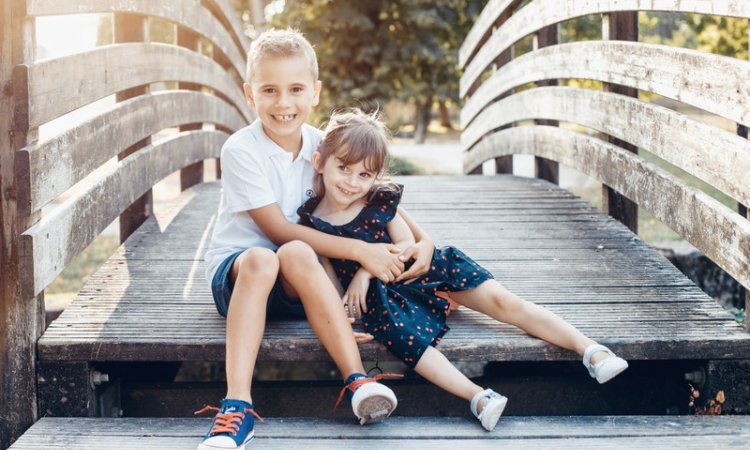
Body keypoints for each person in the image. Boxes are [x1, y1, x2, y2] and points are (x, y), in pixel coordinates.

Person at [297, 109, 630, 433]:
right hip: (385, 301)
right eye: (344, 168)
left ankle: (589, 349)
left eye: (364, 174)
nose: (353, 182)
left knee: (503, 302)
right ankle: (478, 398)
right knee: (413, 348)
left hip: (416, 271)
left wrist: (364, 271)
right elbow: (326, 277)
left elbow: (406, 246)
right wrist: (341, 314)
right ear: (319, 162)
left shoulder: (377, 201)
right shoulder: (313, 223)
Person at [197, 30, 436, 450]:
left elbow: (369, 192)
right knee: (265, 256)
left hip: (296, 278)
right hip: (237, 276)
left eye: (295, 89)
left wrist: (425, 238)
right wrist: (362, 251)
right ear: (250, 94)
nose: (283, 103)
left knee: (294, 253)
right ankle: (236, 406)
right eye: (269, 90)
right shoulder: (241, 149)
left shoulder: (321, 145)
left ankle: (358, 380)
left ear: (316, 92)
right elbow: (276, 230)